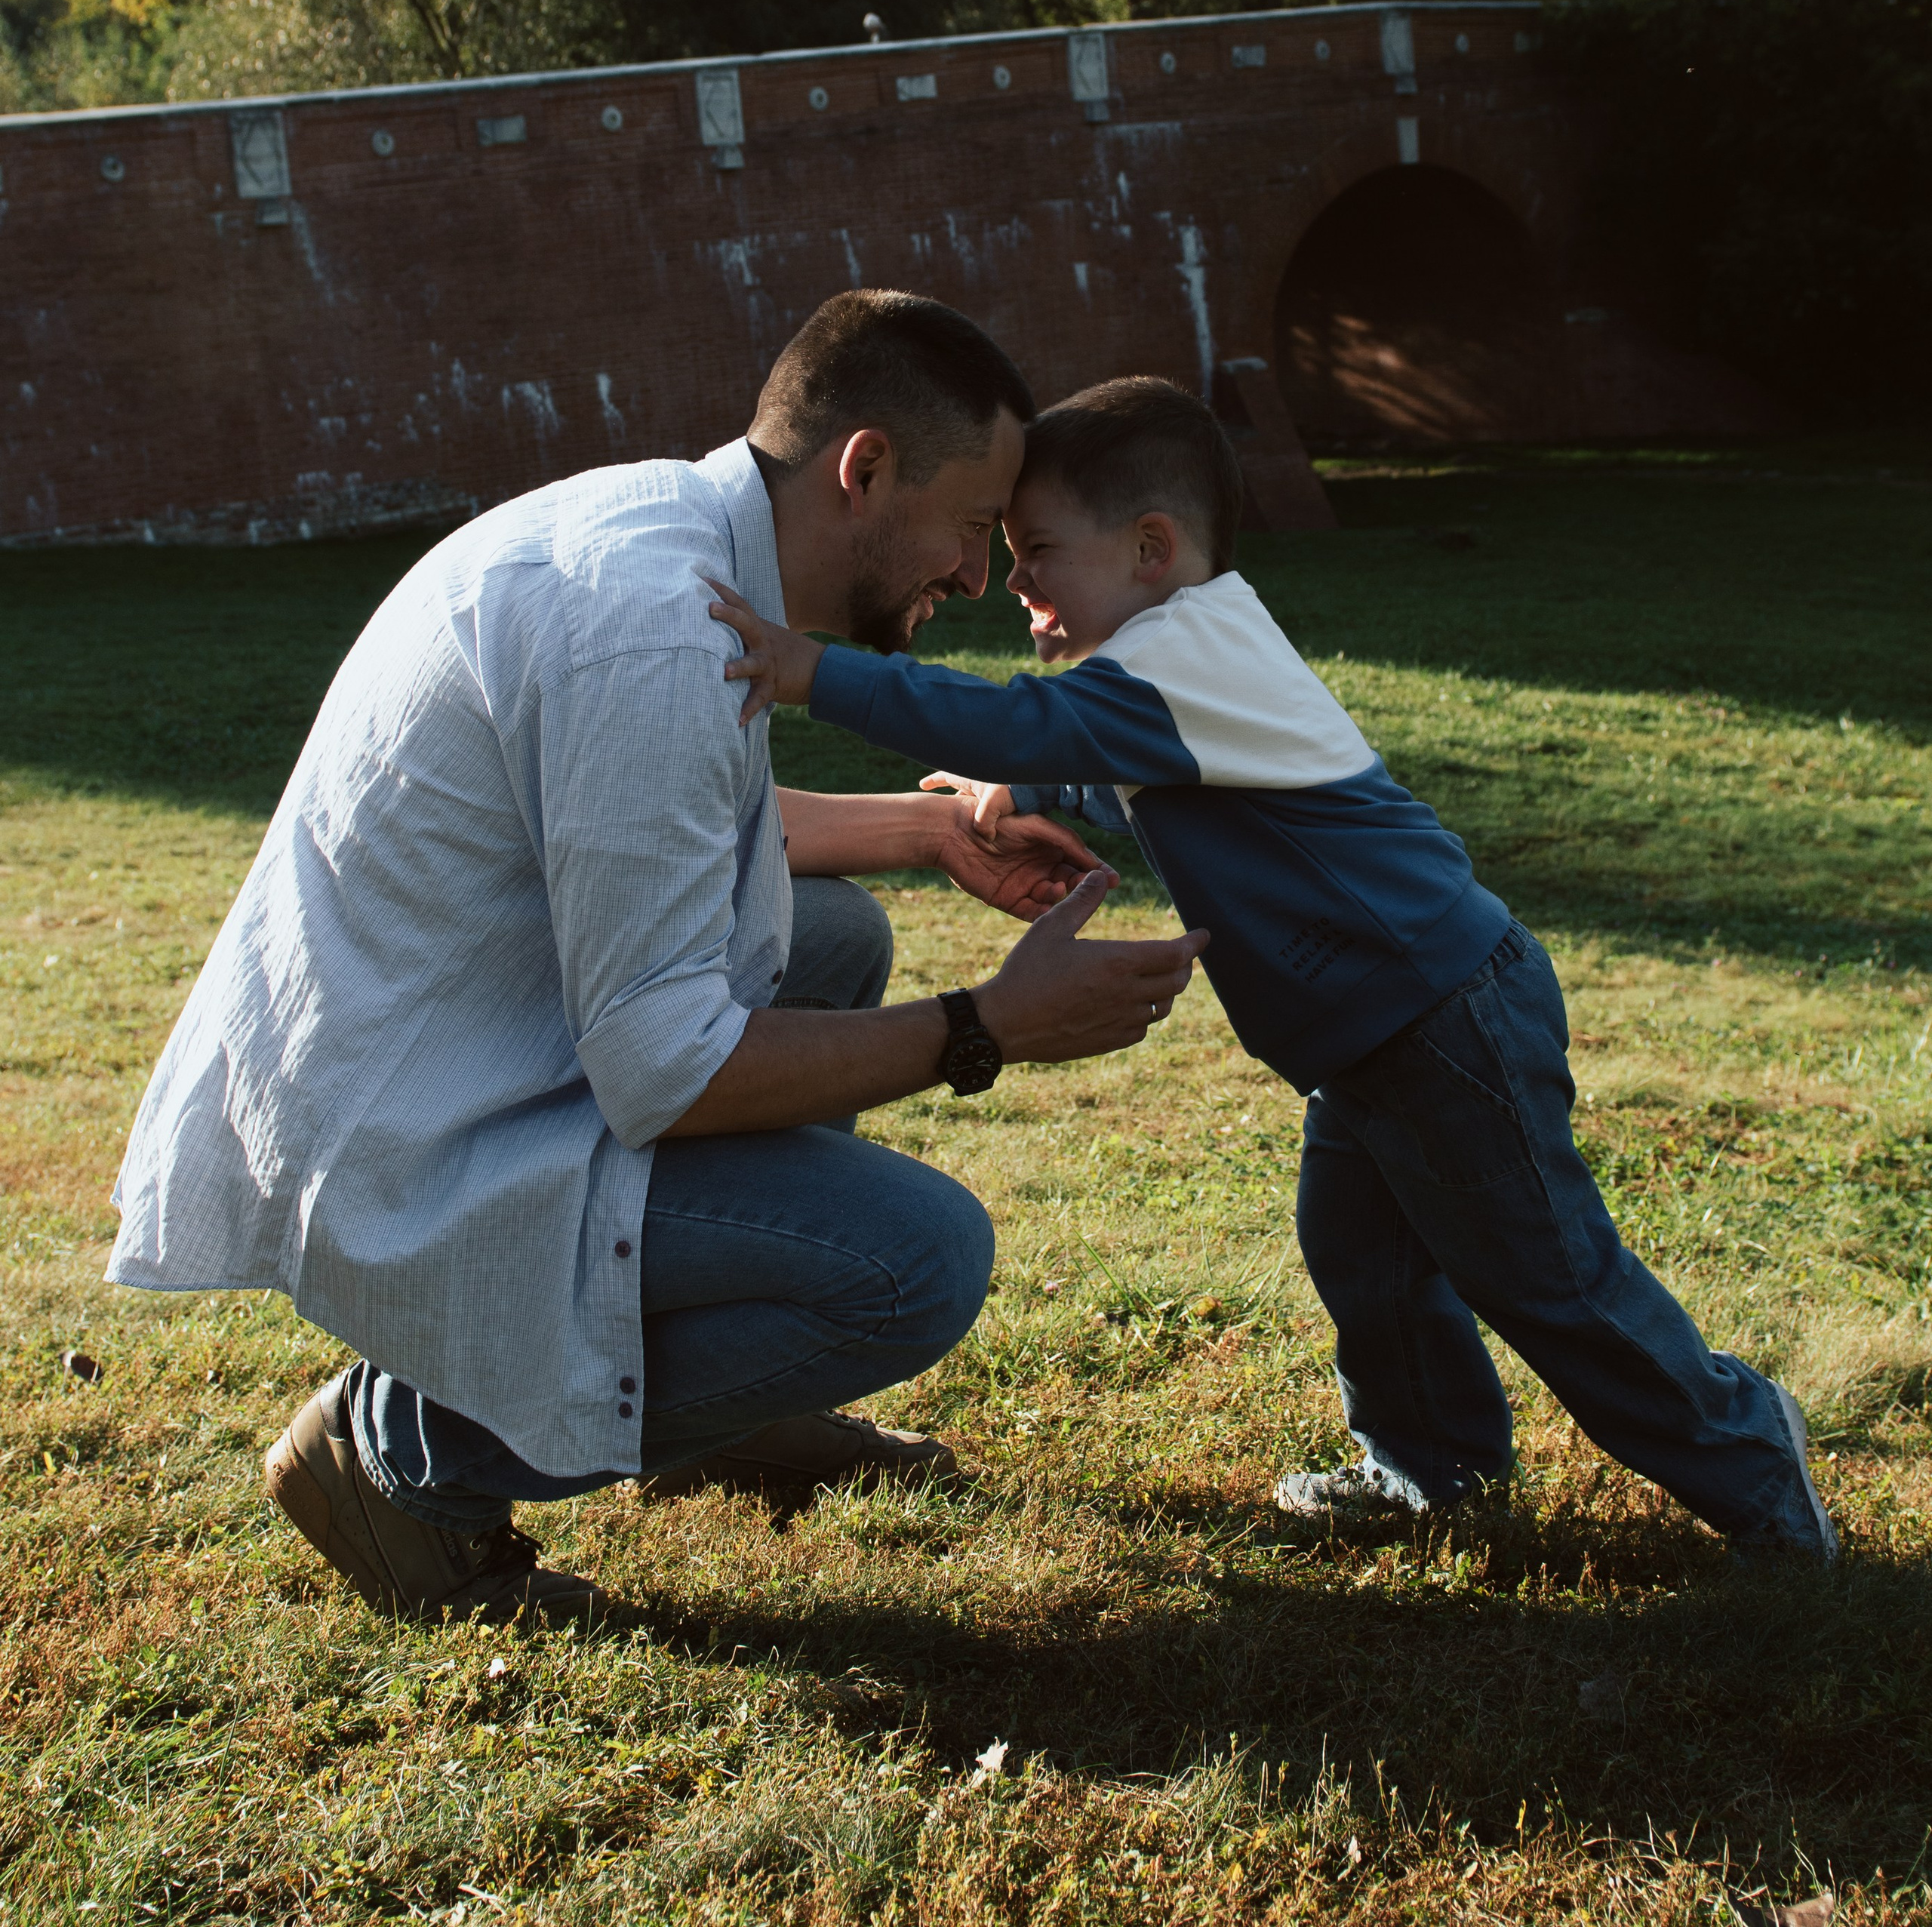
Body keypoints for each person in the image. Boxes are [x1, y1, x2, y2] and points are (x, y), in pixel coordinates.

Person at [107, 298, 1205, 1630]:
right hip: (411, 1133)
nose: (979, 576)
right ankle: (402, 1449)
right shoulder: (651, 629)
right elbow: (663, 1072)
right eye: (973, 524)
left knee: (836, 933)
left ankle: (733, 1408)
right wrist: (986, 1023)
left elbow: (672, 820)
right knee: (920, 1261)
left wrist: (932, 829)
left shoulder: (677, 541)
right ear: (863, 470)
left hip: (449, 1049)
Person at [710, 374, 1839, 1559]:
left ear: (1153, 547)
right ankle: (1431, 1465)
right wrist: (1023, 793)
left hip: (1440, 1019)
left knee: (1549, 1278)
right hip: (1377, 1035)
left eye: (1038, 547)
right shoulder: (1182, 656)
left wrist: (812, 670)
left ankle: (1750, 1450)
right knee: (1367, 1257)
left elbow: (1033, 725)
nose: (1016, 580)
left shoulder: (1183, 653)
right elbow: (1120, 765)